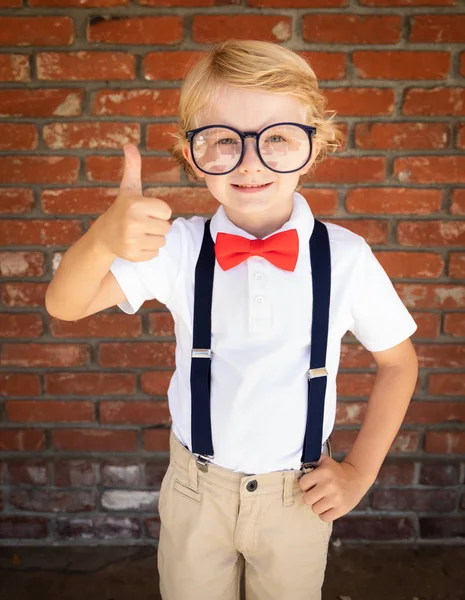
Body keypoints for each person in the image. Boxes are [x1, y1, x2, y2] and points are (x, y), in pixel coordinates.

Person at [45, 40, 419, 600]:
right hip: (196, 491)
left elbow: (398, 362)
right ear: (190, 152)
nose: (251, 162)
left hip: (298, 496)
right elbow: (64, 304)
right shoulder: (177, 247)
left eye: (278, 139)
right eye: (223, 140)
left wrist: (359, 472)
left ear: (314, 146)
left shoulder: (344, 258)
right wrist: (102, 239)